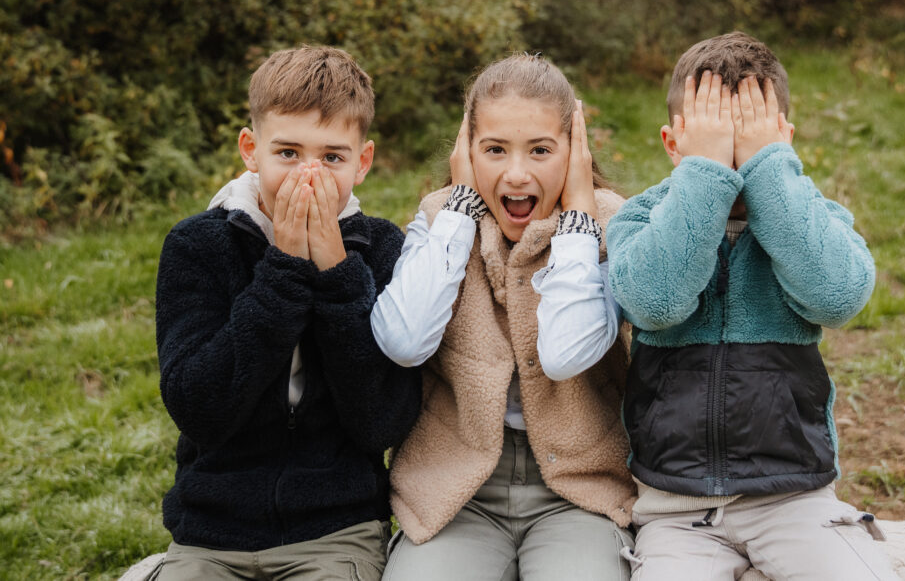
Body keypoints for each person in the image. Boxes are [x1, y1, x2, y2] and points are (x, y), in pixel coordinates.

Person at [606, 32, 898, 580]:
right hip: (675, 509)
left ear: (782, 141)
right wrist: (705, 177)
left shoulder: (811, 218)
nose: (734, 163)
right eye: (717, 146)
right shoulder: (642, 220)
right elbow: (656, 303)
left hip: (796, 499)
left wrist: (771, 174)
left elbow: (837, 297)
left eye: (748, 145)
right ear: (675, 145)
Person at [154, 46, 421, 580]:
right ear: (251, 150)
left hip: (336, 529)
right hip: (212, 531)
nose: (308, 176)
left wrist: (338, 277)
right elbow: (198, 409)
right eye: (288, 153)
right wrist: (282, 270)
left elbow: (382, 424)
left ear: (362, 162)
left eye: (332, 158)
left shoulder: (384, 249)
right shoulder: (197, 246)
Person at [372, 54, 637, 581]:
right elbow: (402, 342)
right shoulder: (438, 219)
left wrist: (579, 219)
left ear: (574, 153)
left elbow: (564, 353)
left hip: (579, 488)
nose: (516, 173)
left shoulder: (611, 226)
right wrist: (460, 210)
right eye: (494, 150)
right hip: (458, 490)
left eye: (541, 150)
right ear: (466, 153)